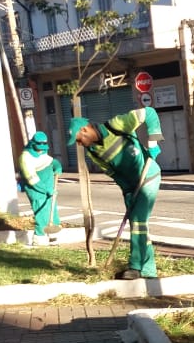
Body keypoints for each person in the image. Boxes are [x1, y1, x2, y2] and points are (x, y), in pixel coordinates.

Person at [68, 107, 163, 279]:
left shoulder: (116, 125)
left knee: (138, 221)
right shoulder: (93, 152)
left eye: (79, 139)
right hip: (132, 185)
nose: (79, 144)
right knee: (139, 225)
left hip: (148, 174)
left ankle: (135, 267)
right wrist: (127, 193)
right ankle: (148, 270)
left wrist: (153, 142)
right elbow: (115, 175)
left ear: (85, 129)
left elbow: (149, 113)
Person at [18, 131, 63, 242]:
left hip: (49, 187)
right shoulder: (25, 157)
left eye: (43, 146)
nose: (41, 149)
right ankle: (39, 237)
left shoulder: (43, 151)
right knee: (41, 211)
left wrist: (57, 165)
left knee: (52, 210)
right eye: (39, 146)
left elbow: (51, 161)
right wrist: (46, 189)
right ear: (33, 144)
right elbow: (31, 179)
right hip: (36, 189)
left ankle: (53, 234)